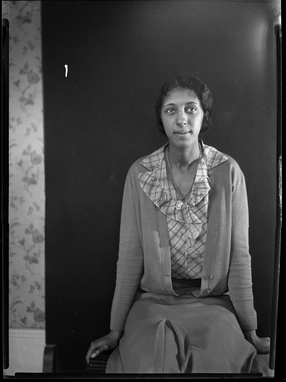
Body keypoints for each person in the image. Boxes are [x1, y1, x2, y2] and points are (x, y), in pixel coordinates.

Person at [86, 75, 272, 375]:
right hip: (153, 305)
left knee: (217, 363)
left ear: (204, 115)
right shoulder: (140, 173)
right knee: (151, 362)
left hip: (213, 305)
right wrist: (115, 331)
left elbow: (239, 257)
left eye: (191, 109)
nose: (181, 119)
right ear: (161, 118)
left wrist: (249, 330)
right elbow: (130, 256)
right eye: (170, 110)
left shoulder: (228, 171)